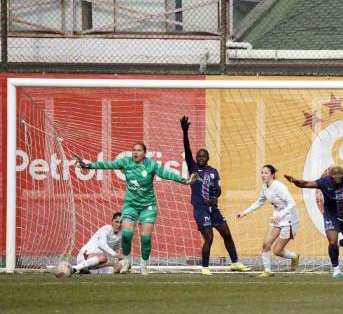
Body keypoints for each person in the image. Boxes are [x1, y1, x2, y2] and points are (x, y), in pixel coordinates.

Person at [77, 142, 198, 275]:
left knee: (145, 238)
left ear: (144, 153)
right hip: (130, 205)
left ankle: (143, 266)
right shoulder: (126, 162)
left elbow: (166, 174)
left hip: (148, 206)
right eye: (133, 150)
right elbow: (107, 165)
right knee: (127, 235)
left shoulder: (151, 165)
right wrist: (88, 165)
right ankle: (127, 262)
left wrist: (185, 181)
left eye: (139, 150)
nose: (135, 153)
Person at [180, 116, 250, 275]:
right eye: (199, 156)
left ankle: (235, 263)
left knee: (227, 234)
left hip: (214, 209)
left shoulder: (213, 172)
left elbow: (218, 189)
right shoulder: (193, 169)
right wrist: (185, 132)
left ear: (208, 158)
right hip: (200, 209)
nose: (200, 158)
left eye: (203, 156)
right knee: (209, 237)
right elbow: (187, 149)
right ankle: (204, 267)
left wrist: (216, 196)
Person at [238, 165, 300, 277]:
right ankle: (267, 271)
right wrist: (244, 213)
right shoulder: (265, 186)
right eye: (262, 173)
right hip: (277, 217)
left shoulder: (279, 186)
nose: (263, 175)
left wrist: (281, 214)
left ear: (272, 175)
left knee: (277, 251)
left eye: (266, 173)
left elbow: (292, 203)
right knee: (266, 244)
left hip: (289, 218)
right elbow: (260, 201)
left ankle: (295, 257)